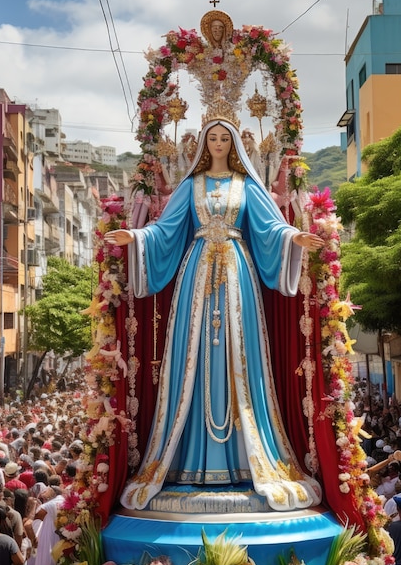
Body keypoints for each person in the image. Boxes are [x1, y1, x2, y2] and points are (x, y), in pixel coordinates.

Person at [107, 113, 325, 513]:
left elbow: (269, 227)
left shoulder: (246, 187)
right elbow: (165, 229)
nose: (219, 144)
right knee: (194, 356)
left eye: (225, 138)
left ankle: (250, 458)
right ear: (204, 145)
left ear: (233, 145)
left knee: (240, 356)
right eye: (214, 138)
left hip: (238, 275)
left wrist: (294, 236)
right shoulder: (191, 186)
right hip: (197, 274)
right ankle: (185, 461)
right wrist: (136, 236)